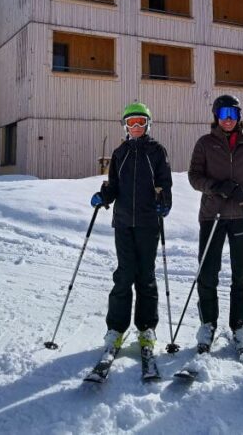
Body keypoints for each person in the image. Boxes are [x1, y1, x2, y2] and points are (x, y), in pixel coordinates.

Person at [90, 102, 173, 368]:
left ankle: (146, 328)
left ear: (148, 125)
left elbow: (165, 184)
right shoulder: (120, 153)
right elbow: (113, 185)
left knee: (146, 276)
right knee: (124, 275)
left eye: (140, 122)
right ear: (125, 127)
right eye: (131, 123)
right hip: (124, 223)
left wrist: (165, 203)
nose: (136, 127)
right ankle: (116, 329)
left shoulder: (157, 152)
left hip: (148, 222)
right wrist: (104, 196)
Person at [187, 94, 243, 355]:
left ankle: (240, 325)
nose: (229, 119)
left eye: (233, 114)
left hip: (242, 213)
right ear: (216, 116)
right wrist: (217, 188)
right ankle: (208, 323)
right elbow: (194, 177)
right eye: (223, 114)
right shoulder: (205, 143)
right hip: (213, 214)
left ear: (239, 116)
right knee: (208, 271)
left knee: (240, 272)